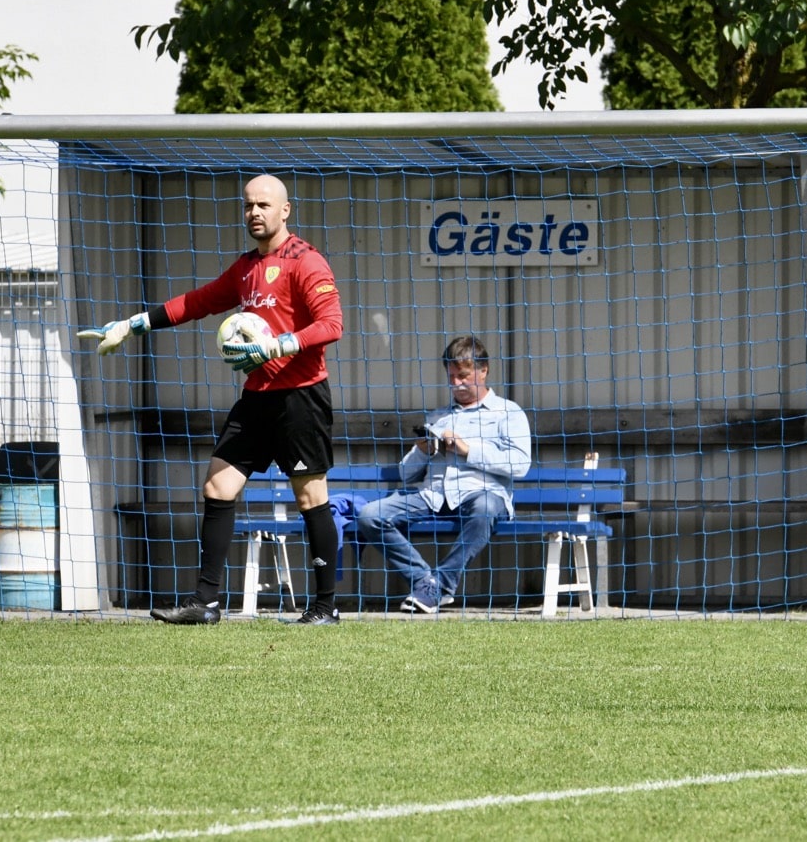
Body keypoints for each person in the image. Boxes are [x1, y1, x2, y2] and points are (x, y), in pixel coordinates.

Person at [80, 173, 344, 625]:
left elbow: (331, 325)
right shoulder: (245, 268)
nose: (254, 213)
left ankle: (324, 607)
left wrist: (276, 345)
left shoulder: (307, 262)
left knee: (310, 497)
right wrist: (133, 324)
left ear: (285, 211)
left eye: (264, 205)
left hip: (300, 398)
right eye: (248, 206)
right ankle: (205, 604)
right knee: (217, 486)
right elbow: (198, 301)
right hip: (257, 396)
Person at [355, 336, 532, 613]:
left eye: (463, 375)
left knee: (485, 506)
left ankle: (441, 585)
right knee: (370, 515)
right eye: (451, 376)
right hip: (433, 496)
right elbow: (405, 474)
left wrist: (467, 450)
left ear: (483, 370)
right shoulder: (438, 417)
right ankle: (426, 582)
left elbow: (520, 464)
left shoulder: (508, 412)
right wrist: (423, 451)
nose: (456, 383)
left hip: (480, 495)